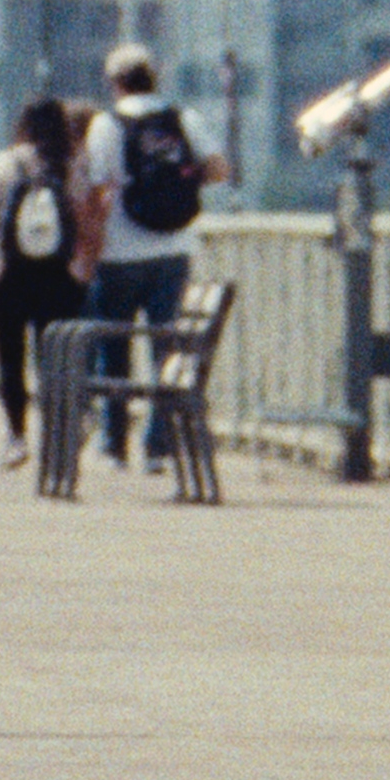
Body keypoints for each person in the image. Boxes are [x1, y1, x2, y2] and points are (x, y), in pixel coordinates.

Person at [71, 42, 234, 471]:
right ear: (154, 77)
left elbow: (97, 189)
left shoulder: (106, 124)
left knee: (114, 349)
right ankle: (157, 446)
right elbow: (219, 169)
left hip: (119, 253)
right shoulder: (183, 119)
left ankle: (114, 444)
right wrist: (182, 177)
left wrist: (86, 247)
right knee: (167, 351)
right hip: (174, 249)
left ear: (115, 82)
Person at [0, 96, 93, 470]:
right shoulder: (74, 166)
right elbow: (86, 226)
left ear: (21, 126)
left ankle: (16, 438)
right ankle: (62, 430)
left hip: (8, 278)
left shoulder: (0, 166)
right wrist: (83, 271)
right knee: (53, 361)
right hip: (58, 280)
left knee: (10, 360)